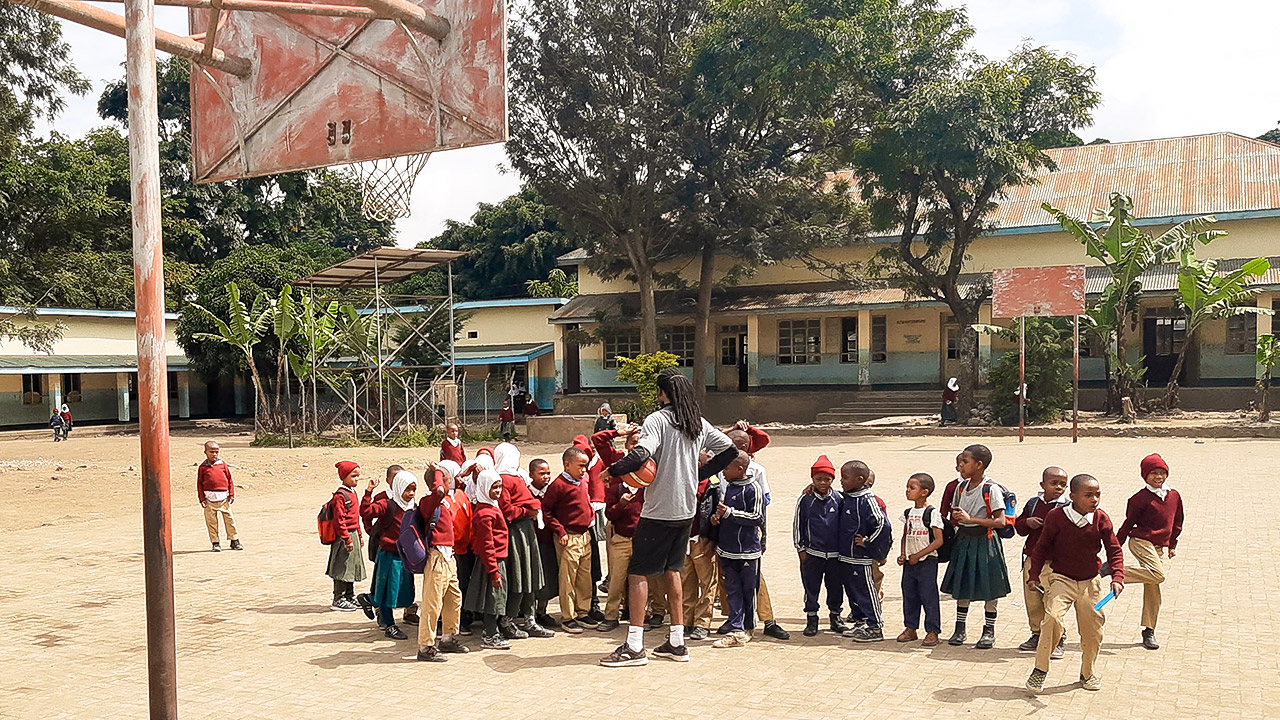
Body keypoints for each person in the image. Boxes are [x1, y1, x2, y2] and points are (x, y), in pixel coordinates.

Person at [599, 368, 737, 667]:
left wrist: (613, 470)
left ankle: (634, 646)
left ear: (662, 394)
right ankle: (677, 642)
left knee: (638, 573)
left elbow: (639, 456)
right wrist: (698, 474)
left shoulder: (657, 420)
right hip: (686, 510)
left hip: (660, 509)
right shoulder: (697, 423)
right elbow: (730, 451)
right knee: (672, 571)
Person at [1025, 474, 1125, 694]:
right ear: (1072, 496)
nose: (1094, 500)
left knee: (1093, 630)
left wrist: (1118, 577)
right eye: (1088, 495)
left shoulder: (1101, 518)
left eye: (1097, 494)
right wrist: (1033, 576)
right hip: (1061, 580)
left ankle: (1087, 673)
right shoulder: (1056, 517)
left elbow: (1114, 549)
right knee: (1051, 618)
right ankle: (1040, 669)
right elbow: (1041, 548)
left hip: (1091, 583)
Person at [720, 426, 788, 640]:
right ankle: (735, 620)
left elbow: (761, 510)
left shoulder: (756, 472)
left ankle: (765, 620)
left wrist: (763, 536)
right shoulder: (721, 467)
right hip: (725, 536)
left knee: (753, 583)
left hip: (748, 539)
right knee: (729, 583)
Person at [940, 444, 1011, 649]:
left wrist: (972, 519)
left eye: (965, 462)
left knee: (990, 585)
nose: (960, 466)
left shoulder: (991, 489)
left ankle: (989, 630)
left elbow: (1000, 521)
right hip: (964, 539)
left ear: (979, 465)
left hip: (985, 541)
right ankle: (960, 627)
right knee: (963, 583)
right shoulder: (961, 487)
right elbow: (956, 511)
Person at [1115, 453, 1184, 651]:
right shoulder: (1139, 498)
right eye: (1153, 473)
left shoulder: (1174, 496)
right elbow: (1128, 524)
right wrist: (1115, 548)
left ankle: (1149, 629)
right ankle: (1116, 571)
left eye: (1162, 473)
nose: (1158, 477)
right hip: (1140, 541)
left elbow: (1177, 521)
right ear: (1145, 475)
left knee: (1153, 584)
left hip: (1159, 546)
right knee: (1159, 575)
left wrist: (1172, 545)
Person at [494, 443, 553, 639]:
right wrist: (528, 511)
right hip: (515, 532)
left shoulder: (516, 478)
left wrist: (530, 510)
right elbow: (507, 510)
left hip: (525, 531)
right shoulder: (502, 480)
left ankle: (530, 619)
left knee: (529, 573)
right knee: (519, 575)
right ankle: (508, 620)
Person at [415, 462, 469, 662]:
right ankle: (425, 646)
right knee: (432, 602)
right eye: (447, 478)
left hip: (449, 556)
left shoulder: (444, 501)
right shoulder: (429, 501)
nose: (450, 481)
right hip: (436, 556)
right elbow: (438, 490)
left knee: (454, 598)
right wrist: (437, 472)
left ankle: (448, 637)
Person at [1014, 466, 1071, 656]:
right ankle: (1036, 634)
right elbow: (1019, 527)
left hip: (1054, 563)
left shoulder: (1068, 507)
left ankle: (1058, 639)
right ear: (1042, 485)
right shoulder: (1033, 503)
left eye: (1063, 484)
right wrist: (1027, 522)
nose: (1059, 488)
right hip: (1032, 560)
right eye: (1054, 483)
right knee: (1033, 601)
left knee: (1052, 602)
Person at [710, 452, 764, 649]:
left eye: (727, 468)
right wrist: (716, 518)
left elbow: (758, 517)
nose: (723, 472)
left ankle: (748, 627)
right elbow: (721, 511)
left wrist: (730, 513)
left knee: (748, 590)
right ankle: (736, 627)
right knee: (732, 590)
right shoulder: (729, 487)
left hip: (748, 550)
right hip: (727, 549)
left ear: (740, 469)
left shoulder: (753, 488)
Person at [540, 446, 596, 631]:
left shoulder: (583, 480)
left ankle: (583, 612)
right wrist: (559, 530)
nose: (584, 470)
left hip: (584, 535)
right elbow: (546, 511)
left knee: (584, 577)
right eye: (580, 466)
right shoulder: (558, 485)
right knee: (568, 578)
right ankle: (568, 616)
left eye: (586, 466)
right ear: (567, 464)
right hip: (568, 537)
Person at [359, 469, 417, 640]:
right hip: (389, 555)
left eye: (413, 489)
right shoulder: (387, 504)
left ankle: (369, 599)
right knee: (387, 592)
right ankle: (389, 625)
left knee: (403, 591)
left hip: (404, 557)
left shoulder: (413, 507)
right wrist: (368, 492)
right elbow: (366, 512)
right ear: (398, 488)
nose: (410, 493)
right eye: (407, 489)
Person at [793, 455, 846, 637]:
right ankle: (812, 617)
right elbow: (797, 524)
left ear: (833, 479)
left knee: (836, 586)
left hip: (834, 554)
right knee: (811, 586)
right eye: (818, 479)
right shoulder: (806, 500)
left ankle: (835, 617)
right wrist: (800, 548)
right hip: (812, 552)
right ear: (812, 479)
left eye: (827, 479)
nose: (823, 482)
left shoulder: (839, 499)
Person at [837, 460, 890, 642]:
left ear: (859, 480)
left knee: (867, 591)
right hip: (846, 556)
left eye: (845, 477)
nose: (841, 481)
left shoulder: (868, 500)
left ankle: (875, 627)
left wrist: (868, 543)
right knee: (853, 592)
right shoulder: (847, 497)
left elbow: (883, 524)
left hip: (862, 559)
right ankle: (860, 623)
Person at [465, 468, 512, 650]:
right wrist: (494, 572)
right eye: (494, 487)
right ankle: (490, 634)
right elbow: (486, 545)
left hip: (496, 560)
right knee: (493, 599)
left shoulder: (491, 507)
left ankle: (492, 632)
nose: (498, 491)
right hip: (491, 562)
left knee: (496, 597)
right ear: (484, 488)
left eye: (499, 487)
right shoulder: (485, 514)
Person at [898, 473, 944, 646]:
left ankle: (933, 631)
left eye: (912, 488)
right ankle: (910, 628)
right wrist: (903, 554)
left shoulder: (931, 513)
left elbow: (939, 540)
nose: (908, 491)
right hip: (910, 563)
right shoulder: (908, 512)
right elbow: (905, 535)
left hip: (927, 562)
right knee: (909, 595)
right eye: (907, 487)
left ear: (924, 492)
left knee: (928, 596)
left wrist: (919, 555)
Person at [600, 466, 645, 631]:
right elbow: (609, 515)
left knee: (643, 579)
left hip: (642, 540)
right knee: (616, 580)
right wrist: (620, 504)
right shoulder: (616, 488)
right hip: (621, 539)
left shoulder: (647, 489)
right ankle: (611, 615)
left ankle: (640, 613)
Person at [574, 434, 608, 624]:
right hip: (581, 523)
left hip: (595, 514)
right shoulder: (574, 475)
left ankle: (593, 603)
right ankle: (583, 606)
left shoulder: (597, 464)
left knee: (594, 563)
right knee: (582, 568)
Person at [325, 461, 366, 611]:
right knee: (342, 567)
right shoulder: (340, 496)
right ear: (344, 477)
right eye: (353, 476)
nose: (356, 479)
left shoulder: (352, 493)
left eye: (358, 476)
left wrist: (359, 535)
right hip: (344, 537)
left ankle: (349, 595)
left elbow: (356, 518)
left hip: (353, 534)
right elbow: (339, 520)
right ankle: (338, 598)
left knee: (351, 567)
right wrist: (346, 539)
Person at [527, 458, 561, 630]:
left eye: (548, 473)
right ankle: (530, 615)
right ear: (531, 475)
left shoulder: (552, 492)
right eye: (541, 474)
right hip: (531, 544)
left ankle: (542, 611)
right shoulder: (526, 493)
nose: (546, 477)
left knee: (548, 576)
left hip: (548, 542)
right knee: (533, 578)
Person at [197, 441, 241, 552]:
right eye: (211, 452)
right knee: (211, 522)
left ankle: (234, 540)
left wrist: (231, 494)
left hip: (223, 499)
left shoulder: (222, 465)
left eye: (216, 452)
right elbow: (199, 484)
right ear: (205, 452)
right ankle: (215, 542)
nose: (214, 454)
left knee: (229, 520)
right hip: (209, 500)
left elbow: (229, 479)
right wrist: (202, 498)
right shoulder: (203, 468)